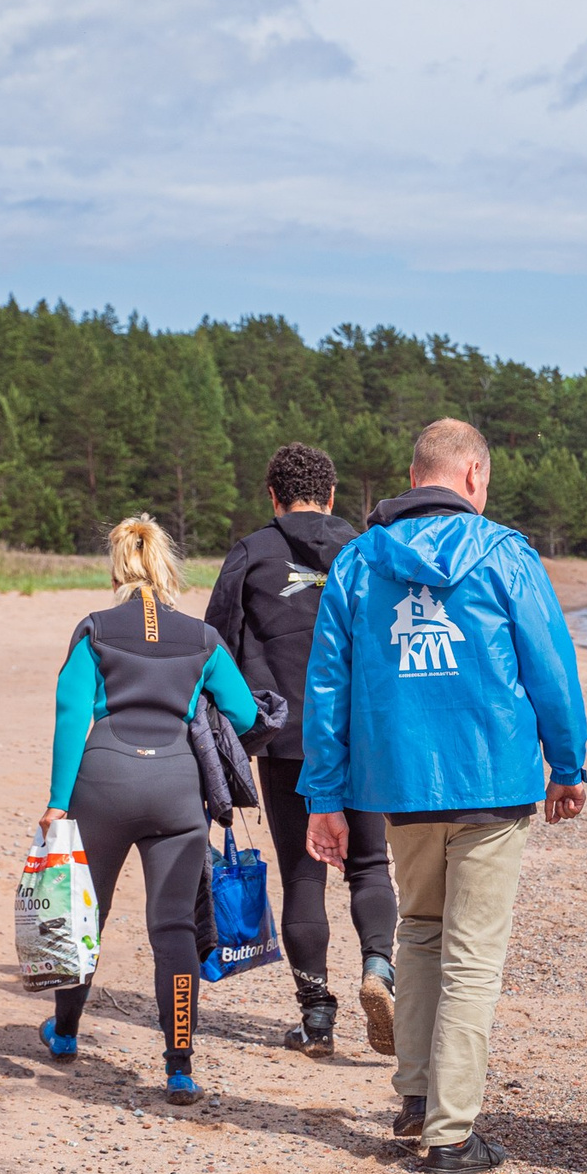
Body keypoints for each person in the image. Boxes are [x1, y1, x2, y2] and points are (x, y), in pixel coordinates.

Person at [300, 419, 587, 1174]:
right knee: (471, 954)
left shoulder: (359, 562)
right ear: (472, 477)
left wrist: (324, 796)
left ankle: (418, 1100)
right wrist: (568, 763)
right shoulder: (505, 555)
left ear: (413, 473)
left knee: (421, 931)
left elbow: (326, 685)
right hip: (491, 778)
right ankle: (451, 1132)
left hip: (401, 784)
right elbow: (550, 668)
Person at [37, 516, 262, 1106]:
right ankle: (179, 1065)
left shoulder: (95, 630)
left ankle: (64, 1034)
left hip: (103, 782)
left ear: (117, 567)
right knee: (173, 929)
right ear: (167, 567)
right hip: (174, 788)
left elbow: (69, 713)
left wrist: (58, 803)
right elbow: (241, 714)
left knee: (86, 917)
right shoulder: (202, 637)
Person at [205, 442, 400, 1058]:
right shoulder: (365, 552)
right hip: (362, 734)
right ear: (333, 496)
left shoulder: (251, 552)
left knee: (303, 874)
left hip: (286, 738)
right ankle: (378, 968)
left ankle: (317, 1016)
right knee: (370, 864)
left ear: (272, 496)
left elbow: (217, 646)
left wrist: (230, 732)